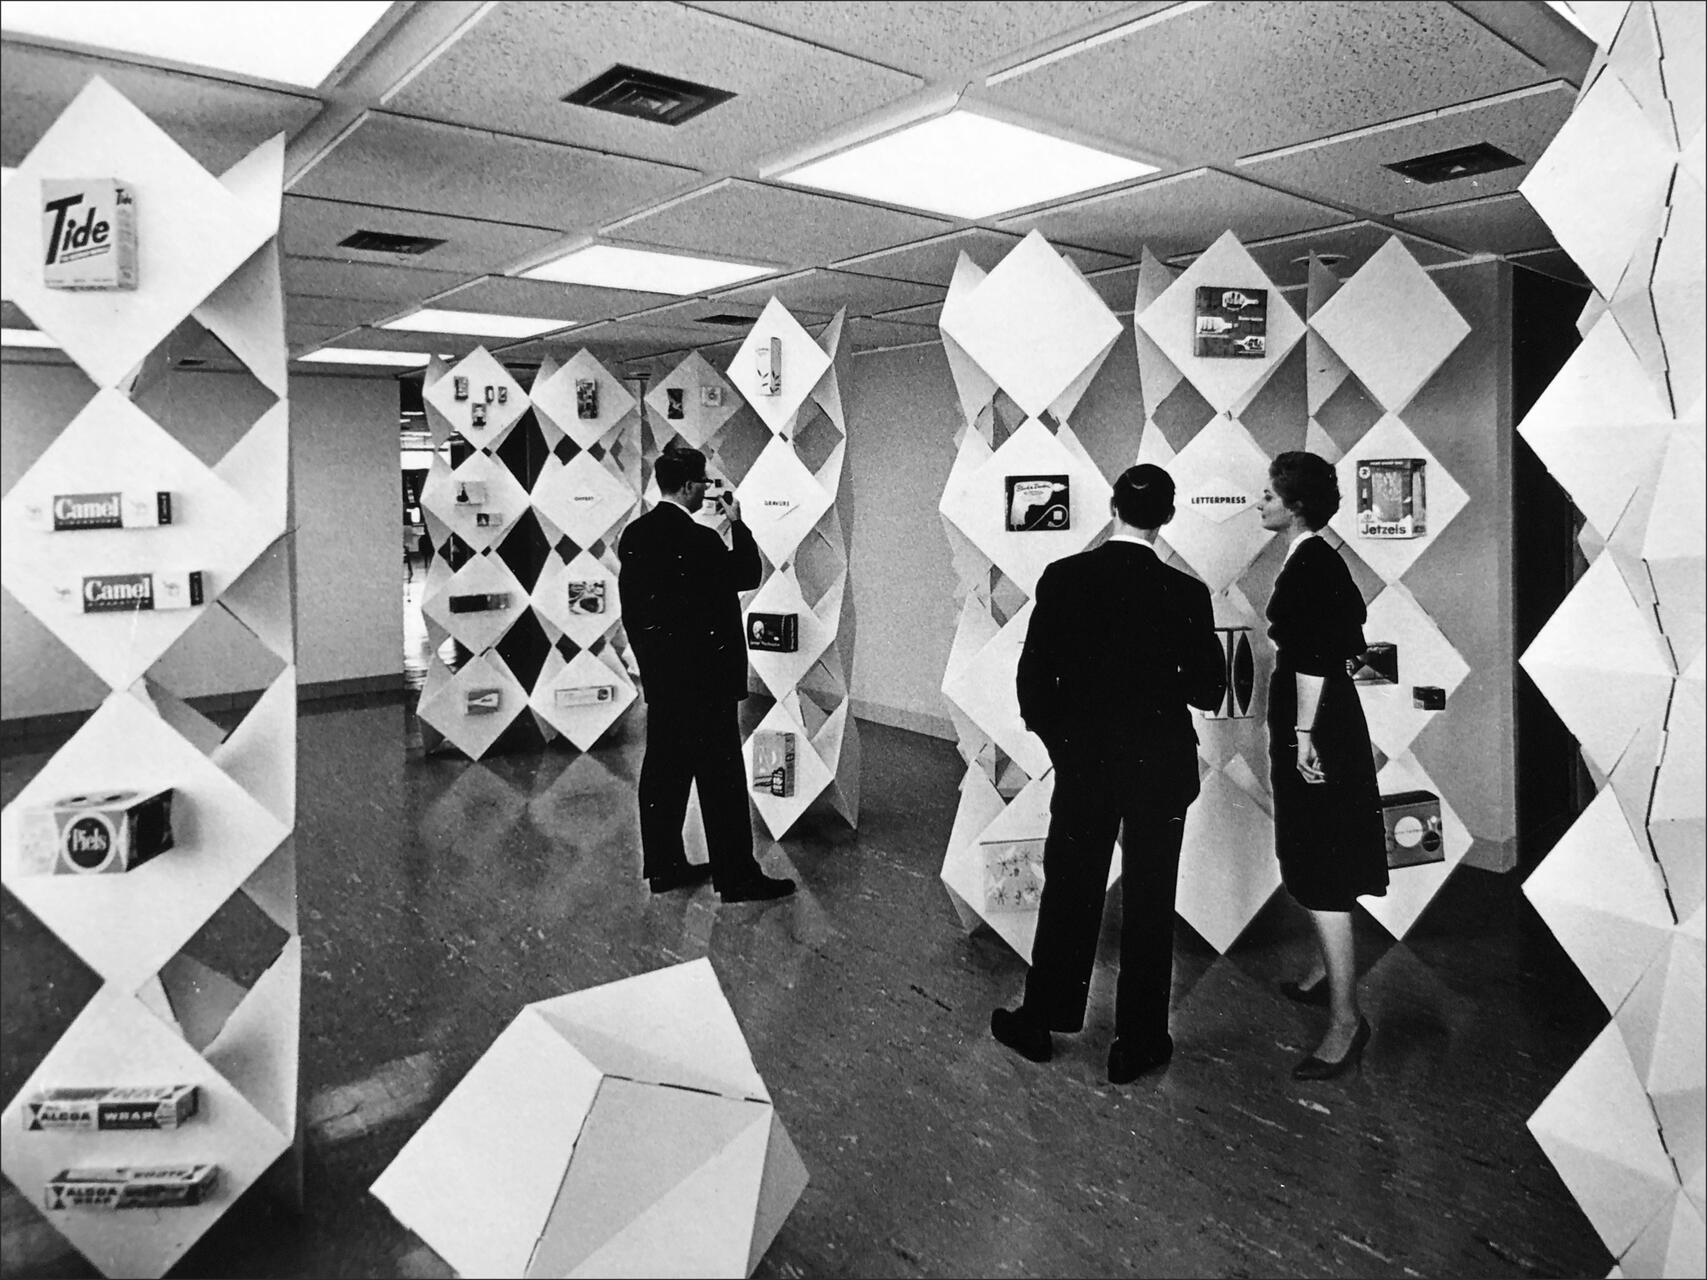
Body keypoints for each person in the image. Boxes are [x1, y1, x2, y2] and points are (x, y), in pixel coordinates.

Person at [990, 463, 1226, 1084]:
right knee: (1152, 900)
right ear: (1167, 517)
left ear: (1112, 506)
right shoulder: (1187, 593)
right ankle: (1139, 1041)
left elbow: (1032, 685)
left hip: (1086, 765)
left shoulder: (1065, 578)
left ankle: (1041, 1020)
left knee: (1070, 890)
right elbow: (1207, 690)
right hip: (1160, 767)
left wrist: (1063, 747)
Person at [1257, 451, 1387, 1080]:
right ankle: (1322, 970)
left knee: (1319, 857)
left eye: (1269, 496)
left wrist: (1304, 735)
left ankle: (1345, 1021)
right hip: (1321, 714)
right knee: (1313, 847)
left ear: (1296, 506)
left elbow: (1313, 658)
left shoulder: (1311, 563)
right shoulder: (1313, 556)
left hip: (1317, 720)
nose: (1259, 504)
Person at [617, 442, 796, 902]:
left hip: (663, 681)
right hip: (706, 685)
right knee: (721, 781)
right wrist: (738, 525)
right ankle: (736, 876)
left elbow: (637, 614)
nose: (706, 491)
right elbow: (746, 573)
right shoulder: (701, 540)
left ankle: (664, 865)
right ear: (690, 486)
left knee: (664, 773)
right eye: (703, 483)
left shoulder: (634, 537)